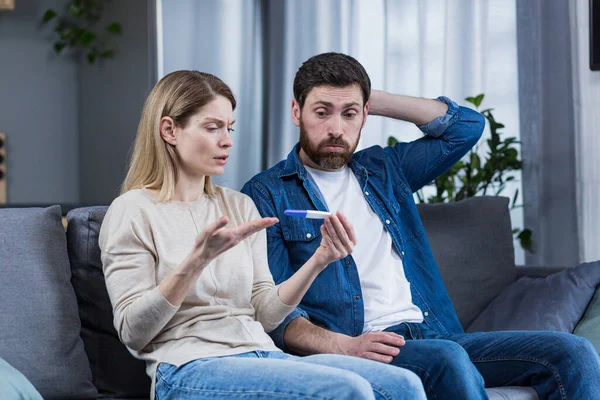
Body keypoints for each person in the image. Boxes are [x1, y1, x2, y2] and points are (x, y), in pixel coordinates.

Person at [241, 52, 600, 399]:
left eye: (350, 113)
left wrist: (371, 97)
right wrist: (346, 346)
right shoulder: (266, 193)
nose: (336, 128)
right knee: (448, 359)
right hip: (360, 346)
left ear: (365, 114)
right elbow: (276, 312)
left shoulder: (384, 169)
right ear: (296, 112)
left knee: (574, 352)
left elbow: (466, 128)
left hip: (432, 335)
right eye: (322, 112)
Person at [99, 70, 426, 400]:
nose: (227, 140)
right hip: (187, 366)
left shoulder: (239, 205)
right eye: (212, 128)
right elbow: (134, 332)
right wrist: (196, 262)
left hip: (260, 353)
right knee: (346, 389)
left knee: (403, 384)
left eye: (229, 128)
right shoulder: (132, 210)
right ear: (169, 130)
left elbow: (265, 313)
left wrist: (319, 259)